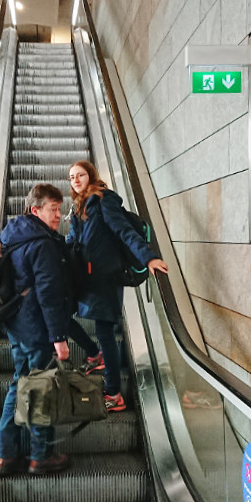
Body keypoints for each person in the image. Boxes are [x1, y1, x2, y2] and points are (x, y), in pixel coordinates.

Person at [0, 183, 71, 475]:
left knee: (19, 383)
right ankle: (40, 455)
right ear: (35, 210)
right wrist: (58, 338)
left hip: (16, 325)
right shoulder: (43, 244)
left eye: (59, 209)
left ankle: (5, 455)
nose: (58, 215)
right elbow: (48, 295)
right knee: (41, 387)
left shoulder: (14, 231)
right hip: (36, 329)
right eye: (53, 209)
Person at [66, 161, 168, 412]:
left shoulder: (104, 200)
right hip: (85, 278)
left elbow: (124, 231)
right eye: (71, 177)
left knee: (105, 332)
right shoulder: (79, 206)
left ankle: (114, 394)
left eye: (80, 175)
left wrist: (148, 258)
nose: (75, 180)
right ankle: (94, 355)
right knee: (59, 314)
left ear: (91, 176)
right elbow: (72, 241)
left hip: (105, 278)